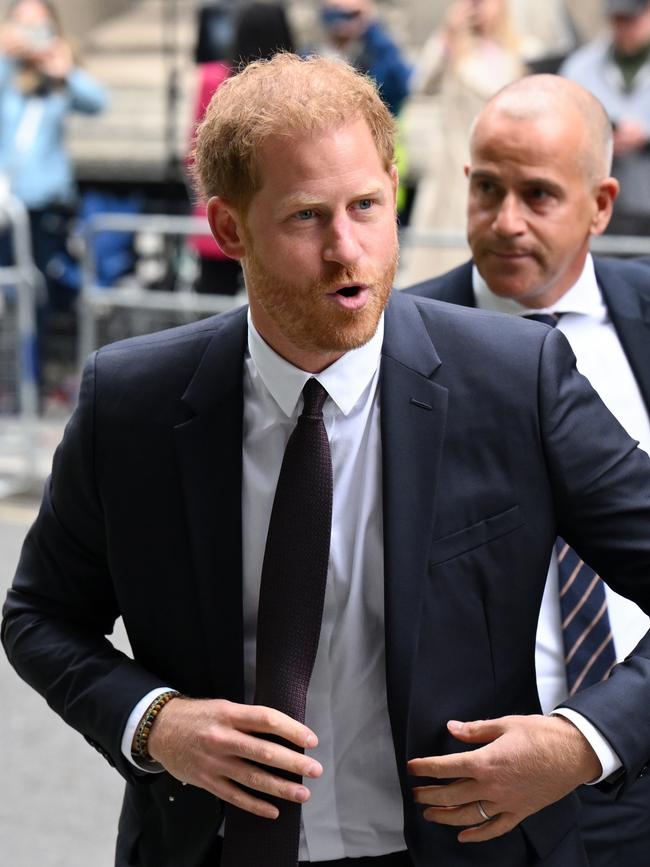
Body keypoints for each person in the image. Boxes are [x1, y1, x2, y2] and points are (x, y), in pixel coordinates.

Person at [3, 54, 650, 867]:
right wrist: (155, 719)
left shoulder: (516, 378)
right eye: (308, 217)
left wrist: (582, 741)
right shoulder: (130, 401)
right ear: (230, 228)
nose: (349, 250)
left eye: (368, 207)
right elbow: (37, 616)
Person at [407, 72, 650, 867]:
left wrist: (597, 733)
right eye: (486, 188)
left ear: (601, 204)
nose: (505, 222)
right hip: (480, 786)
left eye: (539, 195)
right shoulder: (394, 346)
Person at [0, 0, 106, 394]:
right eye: (23, 26)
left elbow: (98, 102)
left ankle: (32, 383)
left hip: (46, 205)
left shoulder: (57, 77)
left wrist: (65, 70)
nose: (31, 35)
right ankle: (12, 385)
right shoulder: (5, 73)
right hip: (6, 207)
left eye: (39, 27)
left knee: (43, 295)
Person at [399, 0, 533, 285]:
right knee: (440, 263)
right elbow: (420, 83)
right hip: (452, 170)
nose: (477, 7)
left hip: (501, 167)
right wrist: (448, 34)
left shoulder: (519, 54)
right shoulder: (454, 49)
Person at [188, 2, 296, 295]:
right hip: (282, 215)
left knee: (211, 313)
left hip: (223, 211)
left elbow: (196, 149)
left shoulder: (212, 79)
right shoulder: (298, 86)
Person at [560, 0, 650, 235]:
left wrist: (645, 135)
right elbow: (561, 122)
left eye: (630, 20)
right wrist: (602, 135)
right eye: (617, 20)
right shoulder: (581, 68)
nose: (623, 28)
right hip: (597, 205)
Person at [315, 0, 411, 116]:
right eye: (337, 11)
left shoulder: (370, 57)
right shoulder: (309, 57)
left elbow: (399, 85)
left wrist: (370, 25)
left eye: (352, 14)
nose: (345, 18)